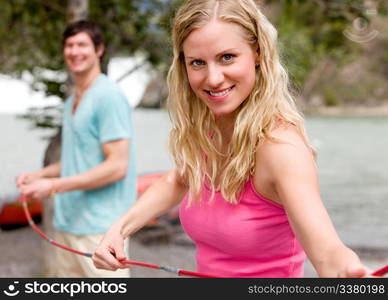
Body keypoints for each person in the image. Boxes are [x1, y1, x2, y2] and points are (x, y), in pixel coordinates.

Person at [92, 0, 371, 277]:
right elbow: (176, 180)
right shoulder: (210, 129)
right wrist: (119, 230)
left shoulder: (281, 148)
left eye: (227, 57)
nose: (213, 78)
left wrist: (348, 272)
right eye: (198, 63)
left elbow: (328, 253)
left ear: (258, 53)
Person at [16, 20, 136, 277]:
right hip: (67, 224)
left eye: (82, 44)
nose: (74, 51)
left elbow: (117, 166)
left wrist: (54, 186)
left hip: (102, 230)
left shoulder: (109, 96)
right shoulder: (73, 100)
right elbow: (78, 159)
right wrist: (42, 175)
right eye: (69, 45)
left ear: (99, 49)